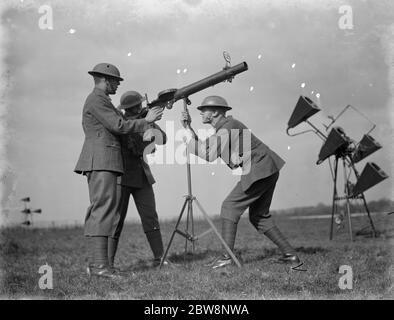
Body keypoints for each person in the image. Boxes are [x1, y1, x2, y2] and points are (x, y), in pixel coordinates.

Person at [180, 95, 302, 269]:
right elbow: (206, 147)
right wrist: (188, 128)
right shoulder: (226, 127)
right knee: (259, 215)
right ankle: (290, 255)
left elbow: (208, 155)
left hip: (260, 169)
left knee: (229, 207)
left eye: (203, 110)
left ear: (214, 112)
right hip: (267, 168)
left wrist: (186, 136)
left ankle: (227, 257)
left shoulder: (227, 128)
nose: (200, 114)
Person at [74, 63, 163, 279]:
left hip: (108, 161)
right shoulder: (97, 100)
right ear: (105, 79)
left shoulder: (103, 101)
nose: (117, 85)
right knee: (103, 211)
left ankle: (103, 266)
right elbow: (119, 126)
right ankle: (99, 267)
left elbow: (121, 123)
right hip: (102, 160)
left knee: (105, 212)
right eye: (116, 81)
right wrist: (147, 121)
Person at [109, 91, 168, 268]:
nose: (141, 108)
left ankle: (160, 258)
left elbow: (163, 139)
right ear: (130, 109)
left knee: (150, 217)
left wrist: (152, 124)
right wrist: (145, 122)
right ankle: (107, 265)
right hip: (123, 176)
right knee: (116, 221)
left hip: (142, 176)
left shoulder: (144, 120)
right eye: (137, 107)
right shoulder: (123, 122)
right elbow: (128, 136)